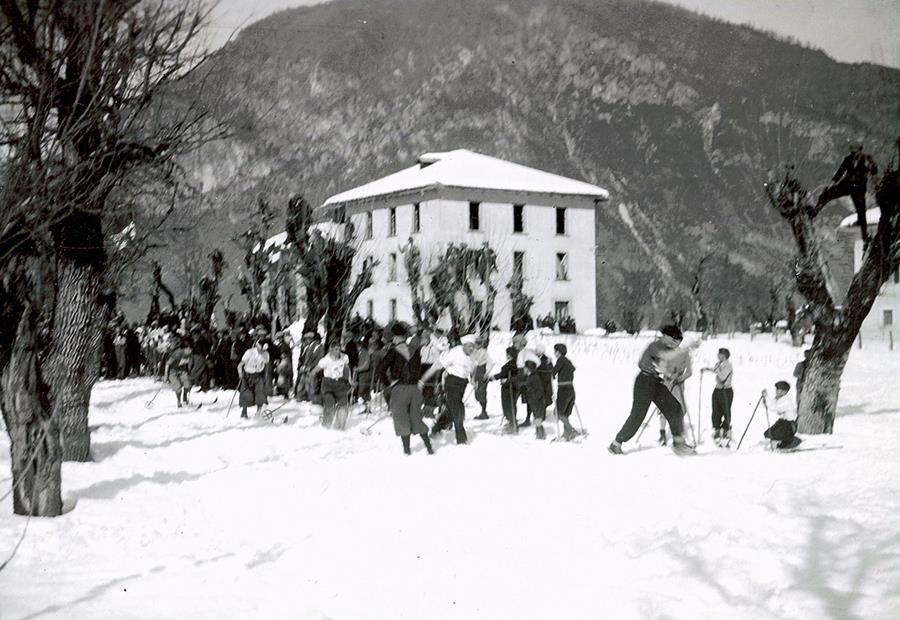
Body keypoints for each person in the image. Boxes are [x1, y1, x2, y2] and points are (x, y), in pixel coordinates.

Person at [608, 325, 694, 456]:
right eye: (673, 341)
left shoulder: (666, 348)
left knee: (675, 408)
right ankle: (617, 443)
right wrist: (684, 349)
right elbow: (666, 357)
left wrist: (674, 374)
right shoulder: (655, 346)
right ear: (665, 336)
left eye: (677, 343)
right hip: (644, 381)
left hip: (655, 382)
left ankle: (678, 443)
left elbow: (664, 366)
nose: (674, 344)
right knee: (638, 415)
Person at [375, 323, 433, 455]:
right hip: (415, 389)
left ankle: (407, 451)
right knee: (416, 418)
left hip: (399, 389)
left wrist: (388, 384)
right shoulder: (415, 350)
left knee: (401, 419)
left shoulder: (393, 352)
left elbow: (380, 370)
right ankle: (429, 449)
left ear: (395, 337)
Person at [420, 334, 478, 445]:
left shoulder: (472, 356)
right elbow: (437, 365)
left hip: (462, 385)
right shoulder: (455, 352)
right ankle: (461, 439)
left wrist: (473, 380)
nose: (471, 348)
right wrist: (423, 380)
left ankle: (436, 429)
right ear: (464, 345)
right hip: (451, 383)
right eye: (469, 346)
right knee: (459, 409)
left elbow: (474, 367)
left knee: (451, 411)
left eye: (473, 346)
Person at [816, 143, 878, 244]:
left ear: (860, 150)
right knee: (827, 194)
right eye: (852, 149)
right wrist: (832, 182)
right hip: (847, 184)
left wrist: (871, 164)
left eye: (855, 149)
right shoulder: (848, 159)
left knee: (861, 211)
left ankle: (864, 235)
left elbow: (874, 172)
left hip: (858, 188)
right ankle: (815, 210)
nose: (853, 151)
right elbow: (840, 171)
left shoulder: (866, 159)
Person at [657, 338, 700, 446]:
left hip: (678, 386)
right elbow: (661, 368)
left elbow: (689, 372)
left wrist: (679, 378)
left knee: (678, 409)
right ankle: (662, 434)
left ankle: (678, 435)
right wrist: (669, 375)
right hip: (666, 384)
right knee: (663, 408)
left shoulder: (686, 355)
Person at [702, 348, 734, 445]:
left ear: (724, 356)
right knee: (716, 410)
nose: (717, 356)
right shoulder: (718, 364)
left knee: (726, 411)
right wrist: (707, 369)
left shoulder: (728, 365)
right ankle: (716, 429)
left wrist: (716, 369)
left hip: (726, 390)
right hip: (717, 390)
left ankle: (726, 429)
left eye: (719, 354)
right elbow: (715, 370)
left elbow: (722, 377)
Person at [317, 339, 351, 428]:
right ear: (331, 350)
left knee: (343, 405)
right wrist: (312, 380)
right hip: (328, 384)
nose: (338, 352)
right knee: (330, 403)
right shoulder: (325, 360)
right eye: (336, 349)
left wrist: (349, 380)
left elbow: (347, 369)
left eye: (339, 349)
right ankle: (326, 425)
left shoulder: (345, 357)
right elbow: (315, 371)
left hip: (340, 383)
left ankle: (340, 426)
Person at [237, 326, 270, 419]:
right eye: (260, 348)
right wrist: (240, 374)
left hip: (258, 375)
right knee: (246, 394)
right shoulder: (249, 352)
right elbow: (240, 365)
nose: (261, 350)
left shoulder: (266, 354)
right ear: (256, 345)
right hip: (247, 375)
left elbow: (266, 363)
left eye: (263, 349)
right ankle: (244, 412)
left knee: (260, 393)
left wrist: (265, 376)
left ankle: (258, 412)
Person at [552, 343, 580, 441]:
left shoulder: (561, 360)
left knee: (558, 413)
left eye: (555, 351)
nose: (554, 353)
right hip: (571, 389)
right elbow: (572, 369)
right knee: (565, 413)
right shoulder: (568, 361)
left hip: (563, 390)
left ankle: (571, 430)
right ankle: (567, 433)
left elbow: (553, 372)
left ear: (558, 352)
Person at [762, 380, 801, 450]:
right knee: (768, 434)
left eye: (779, 390)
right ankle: (783, 443)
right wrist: (764, 399)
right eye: (776, 389)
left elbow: (773, 408)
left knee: (775, 435)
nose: (776, 391)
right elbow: (770, 404)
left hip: (789, 424)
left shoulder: (786, 401)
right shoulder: (779, 399)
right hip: (782, 422)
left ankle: (790, 441)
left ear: (784, 392)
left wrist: (766, 397)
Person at [492, 346, 520, 433]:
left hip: (508, 388)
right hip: (513, 387)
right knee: (512, 405)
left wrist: (495, 377)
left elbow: (503, 374)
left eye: (507, 354)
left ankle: (512, 424)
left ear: (509, 354)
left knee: (508, 405)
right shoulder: (516, 362)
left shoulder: (510, 364)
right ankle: (512, 422)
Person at [165, 333, 194, 408]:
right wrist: (166, 376)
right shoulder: (177, 353)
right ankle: (178, 401)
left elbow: (188, 363)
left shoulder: (188, 353)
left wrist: (189, 371)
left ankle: (185, 396)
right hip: (173, 371)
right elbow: (167, 364)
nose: (190, 350)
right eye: (188, 349)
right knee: (178, 388)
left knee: (188, 385)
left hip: (182, 370)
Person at [523, 360, 548, 440]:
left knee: (538, 418)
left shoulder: (534, 377)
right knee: (537, 418)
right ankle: (539, 434)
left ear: (528, 369)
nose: (523, 369)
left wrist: (534, 398)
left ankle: (541, 435)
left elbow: (540, 390)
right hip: (534, 401)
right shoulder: (530, 376)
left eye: (525, 367)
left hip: (538, 401)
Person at [471, 335, 491, 420]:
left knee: (482, 392)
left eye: (479, 343)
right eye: (476, 343)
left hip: (481, 372)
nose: (477, 345)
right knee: (477, 393)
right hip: (474, 372)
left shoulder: (484, 352)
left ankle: (484, 411)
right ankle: (482, 411)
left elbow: (491, 362)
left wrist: (487, 373)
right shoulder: (473, 352)